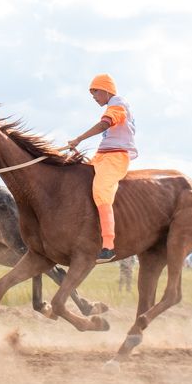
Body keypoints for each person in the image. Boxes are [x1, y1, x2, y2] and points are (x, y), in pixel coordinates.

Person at [66, 73, 137, 264]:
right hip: (102, 156)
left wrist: (79, 138)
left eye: (95, 92)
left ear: (106, 90)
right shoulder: (112, 105)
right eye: (92, 94)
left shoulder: (118, 104)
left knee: (100, 190)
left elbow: (105, 123)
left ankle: (108, 246)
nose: (94, 97)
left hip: (116, 158)